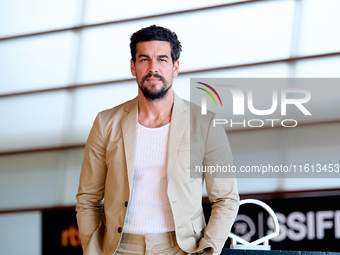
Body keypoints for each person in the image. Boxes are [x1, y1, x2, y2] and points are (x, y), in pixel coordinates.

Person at [76, 25, 239, 255]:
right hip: (119, 248)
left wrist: (208, 250)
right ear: (133, 67)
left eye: (162, 59)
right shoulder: (106, 123)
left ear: (176, 67)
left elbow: (226, 198)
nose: (153, 68)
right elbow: (88, 199)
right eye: (144, 59)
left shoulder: (205, 124)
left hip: (181, 248)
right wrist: (92, 251)